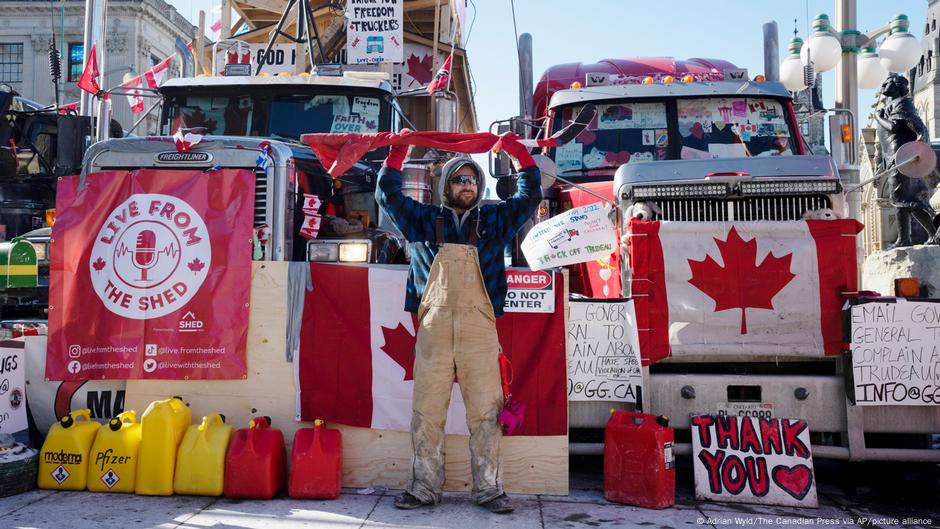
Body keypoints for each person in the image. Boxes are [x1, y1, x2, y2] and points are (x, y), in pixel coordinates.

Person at [375, 135, 541, 514]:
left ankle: (489, 490)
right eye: (457, 180)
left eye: (471, 180)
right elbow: (387, 195)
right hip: (433, 329)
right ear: (444, 186)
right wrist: (398, 152)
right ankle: (422, 488)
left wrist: (518, 154)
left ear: (478, 187)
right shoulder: (422, 219)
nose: (465, 185)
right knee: (426, 412)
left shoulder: (495, 221)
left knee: (486, 413)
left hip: (480, 330)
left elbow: (530, 197)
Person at [874, 74, 939, 247]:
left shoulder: (903, 103)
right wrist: (879, 165)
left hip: (903, 157)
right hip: (894, 157)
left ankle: (904, 238)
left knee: (901, 198)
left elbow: (895, 127)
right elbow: (882, 141)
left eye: (887, 83)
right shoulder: (889, 106)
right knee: (909, 200)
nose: (883, 85)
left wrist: (878, 117)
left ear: (897, 86)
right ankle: (934, 233)